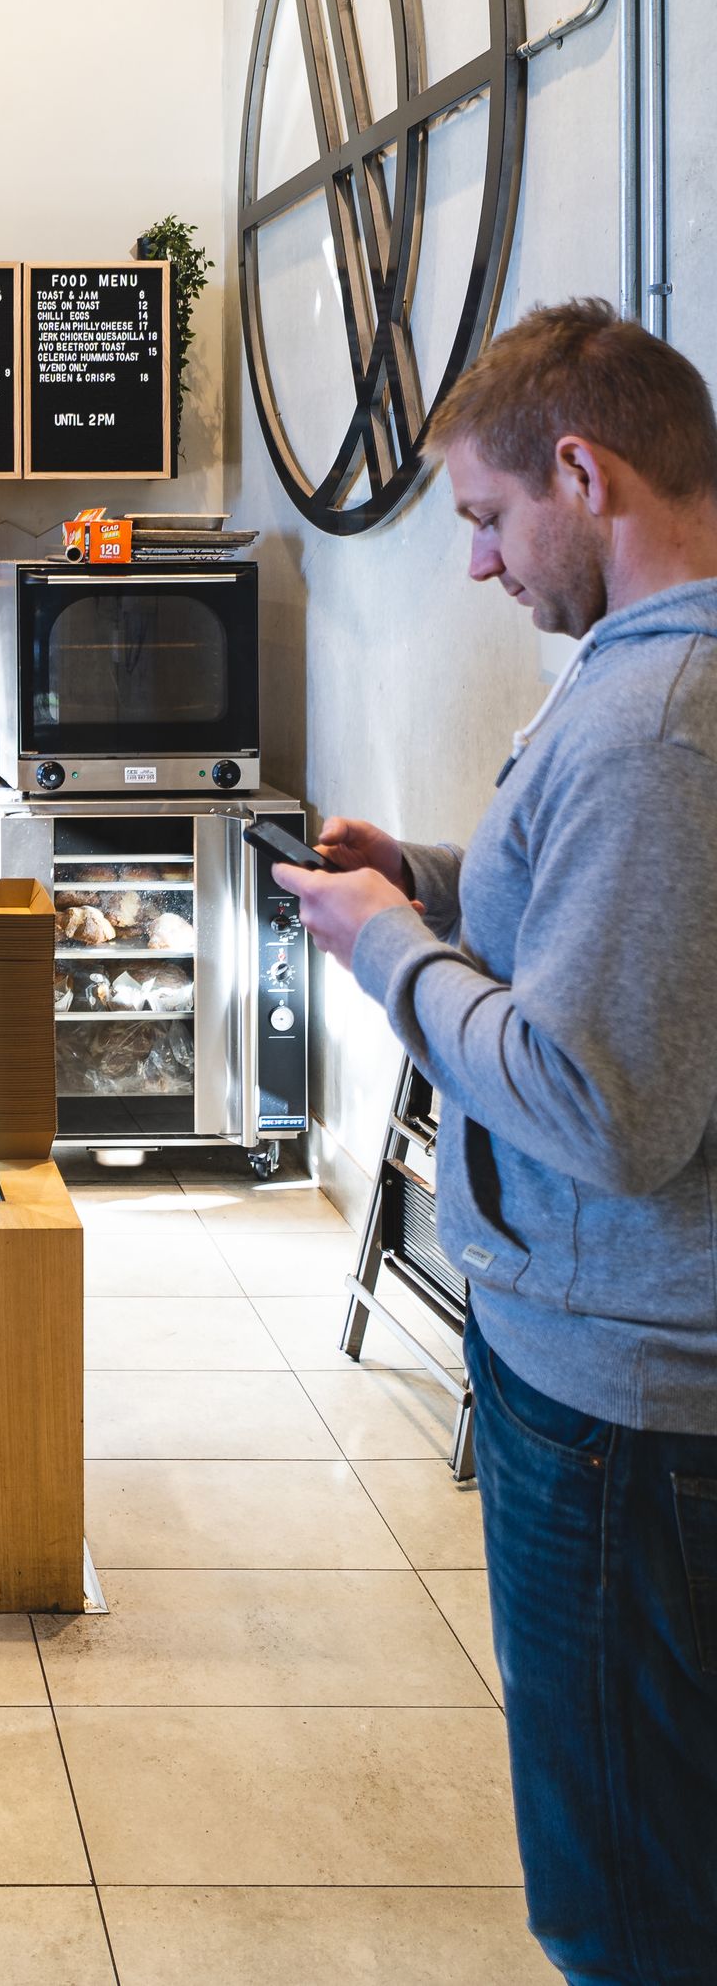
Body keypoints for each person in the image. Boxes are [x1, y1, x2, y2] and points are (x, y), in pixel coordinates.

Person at [275, 301, 717, 1986]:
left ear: (585, 471)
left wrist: (394, 946)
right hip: (627, 1373)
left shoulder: (653, 722)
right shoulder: (648, 700)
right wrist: (444, 880)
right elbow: (617, 948)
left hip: (625, 1407)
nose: (477, 566)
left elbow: (601, 1101)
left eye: (482, 516)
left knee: (628, 1896)